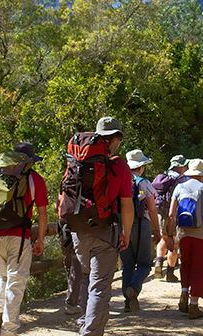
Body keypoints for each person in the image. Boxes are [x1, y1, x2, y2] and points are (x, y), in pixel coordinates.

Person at [72, 117, 134, 335]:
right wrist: (125, 233)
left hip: (78, 229)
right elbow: (126, 205)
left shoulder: (78, 161)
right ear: (114, 139)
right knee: (99, 286)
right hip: (105, 230)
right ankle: (90, 332)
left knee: (86, 279)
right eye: (119, 139)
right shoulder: (120, 166)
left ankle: (85, 323)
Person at [0, 142, 48, 336]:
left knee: (2, 277)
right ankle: (9, 330)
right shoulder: (34, 179)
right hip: (18, 236)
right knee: (16, 282)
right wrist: (40, 240)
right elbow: (42, 215)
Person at [166, 159, 203, 319]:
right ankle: (194, 305)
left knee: (186, 265)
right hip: (201, 235)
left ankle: (184, 292)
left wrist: (170, 235)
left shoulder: (180, 187)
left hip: (182, 234)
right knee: (200, 268)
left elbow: (171, 214)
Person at [121, 149, 161, 313]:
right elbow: (152, 209)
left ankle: (128, 302)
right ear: (142, 166)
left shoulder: (120, 180)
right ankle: (134, 288)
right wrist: (157, 231)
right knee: (145, 264)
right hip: (140, 224)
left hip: (122, 226)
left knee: (127, 265)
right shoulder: (144, 183)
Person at [153, 155, 189, 282]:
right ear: (179, 166)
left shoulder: (163, 176)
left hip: (160, 212)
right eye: (184, 165)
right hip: (173, 213)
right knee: (173, 243)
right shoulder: (181, 180)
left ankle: (158, 262)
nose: (185, 168)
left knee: (163, 239)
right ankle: (170, 273)